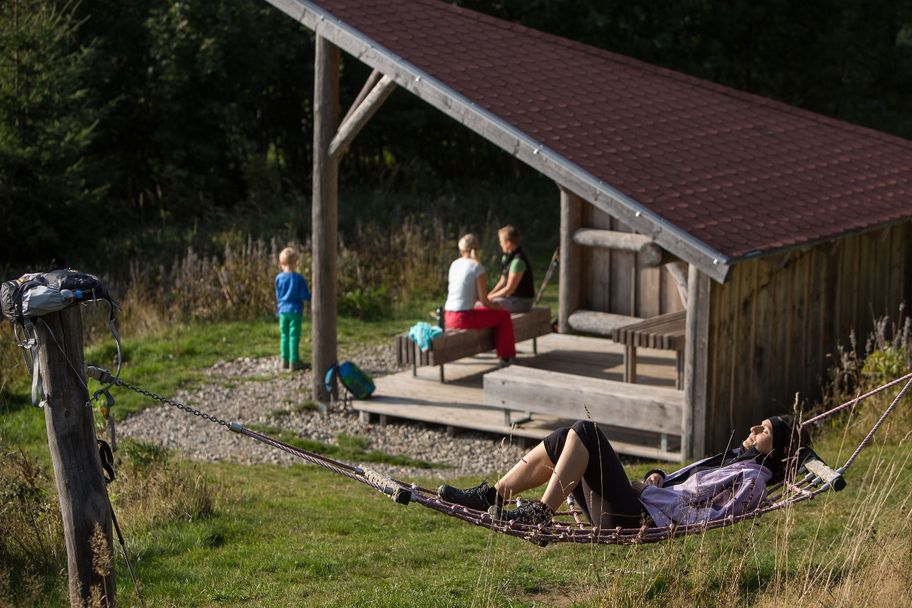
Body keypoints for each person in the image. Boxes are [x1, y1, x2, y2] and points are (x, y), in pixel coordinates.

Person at [438, 415, 808, 528]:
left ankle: (540, 514)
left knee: (585, 432)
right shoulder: (735, 459)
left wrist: (650, 497)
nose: (754, 431)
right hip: (636, 503)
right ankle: (489, 496)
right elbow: (690, 487)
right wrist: (658, 478)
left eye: (764, 432)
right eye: (757, 426)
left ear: (778, 450)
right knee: (562, 439)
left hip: (638, 516)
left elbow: (713, 516)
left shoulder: (752, 479)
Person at [444, 233, 517, 365]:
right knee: (504, 316)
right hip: (463, 318)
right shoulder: (477, 267)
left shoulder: (454, 264)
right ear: (477, 250)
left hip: (448, 315)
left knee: (486, 312)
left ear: (461, 251)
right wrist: (496, 306)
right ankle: (505, 356)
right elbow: (484, 300)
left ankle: (502, 354)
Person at [275, 247, 311, 371]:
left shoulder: (278, 278)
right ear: (295, 263)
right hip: (295, 310)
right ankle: (294, 361)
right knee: (294, 336)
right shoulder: (298, 278)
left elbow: (278, 294)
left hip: (283, 311)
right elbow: (305, 295)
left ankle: (284, 360)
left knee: (284, 336)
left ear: (281, 264)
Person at [487, 225, 535, 313]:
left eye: (501, 241)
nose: (500, 244)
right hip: (511, 298)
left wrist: (490, 298)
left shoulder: (518, 261)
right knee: (485, 302)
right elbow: (502, 282)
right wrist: (489, 295)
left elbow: (510, 289)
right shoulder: (507, 258)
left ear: (508, 243)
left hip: (522, 302)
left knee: (488, 304)